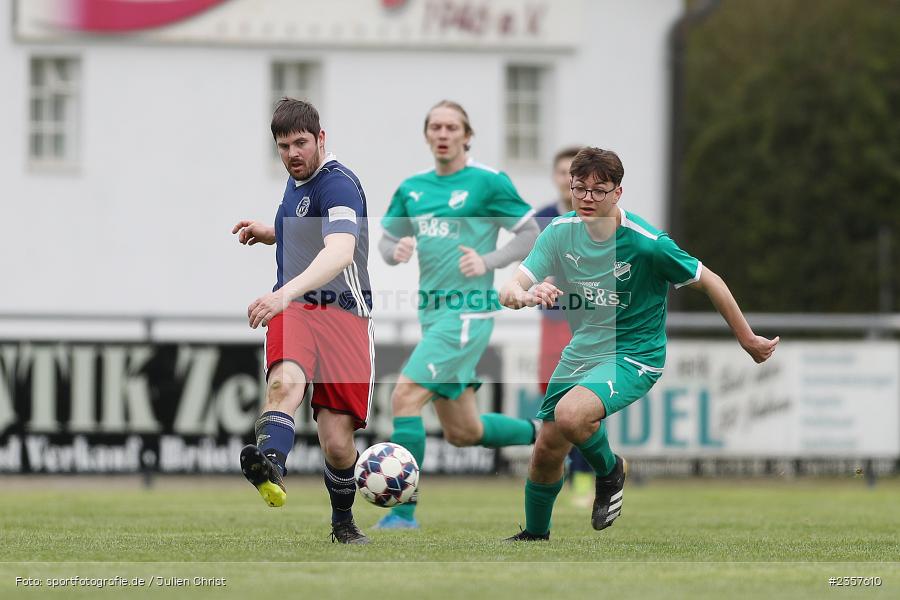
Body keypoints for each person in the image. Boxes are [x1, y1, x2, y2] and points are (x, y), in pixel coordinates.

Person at [499, 147, 779, 540]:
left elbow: (710, 279)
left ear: (618, 193)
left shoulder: (648, 243)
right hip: (583, 350)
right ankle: (535, 535)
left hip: (635, 354)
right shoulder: (560, 231)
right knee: (547, 449)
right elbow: (511, 286)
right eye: (580, 189)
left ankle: (610, 470)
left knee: (571, 415)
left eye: (600, 190)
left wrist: (746, 338)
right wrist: (522, 294)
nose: (588, 198)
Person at [376, 100, 541, 530]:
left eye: (452, 126)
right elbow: (386, 242)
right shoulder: (413, 188)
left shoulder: (487, 183)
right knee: (463, 432)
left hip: (467, 315)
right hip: (433, 315)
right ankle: (550, 433)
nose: (443, 133)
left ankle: (402, 513)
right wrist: (395, 251)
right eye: (435, 126)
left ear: (467, 136)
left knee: (404, 397)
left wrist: (488, 261)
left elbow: (530, 233)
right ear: (427, 135)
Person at [232, 98, 374, 544]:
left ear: (321, 140)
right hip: (296, 312)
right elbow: (303, 223)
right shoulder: (296, 183)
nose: (292, 154)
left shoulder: (340, 186)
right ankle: (271, 462)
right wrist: (270, 231)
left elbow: (339, 250)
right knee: (284, 384)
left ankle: (343, 523)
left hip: (345, 316)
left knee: (336, 442)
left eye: (300, 143)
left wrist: (281, 293)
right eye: (283, 146)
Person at [535, 146, 594, 506]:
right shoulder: (542, 218)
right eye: (561, 174)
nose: (566, 181)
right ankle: (565, 470)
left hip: (588, 322)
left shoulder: (599, 218)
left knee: (586, 399)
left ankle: (586, 477)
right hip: (554, 320)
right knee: (555, 400)